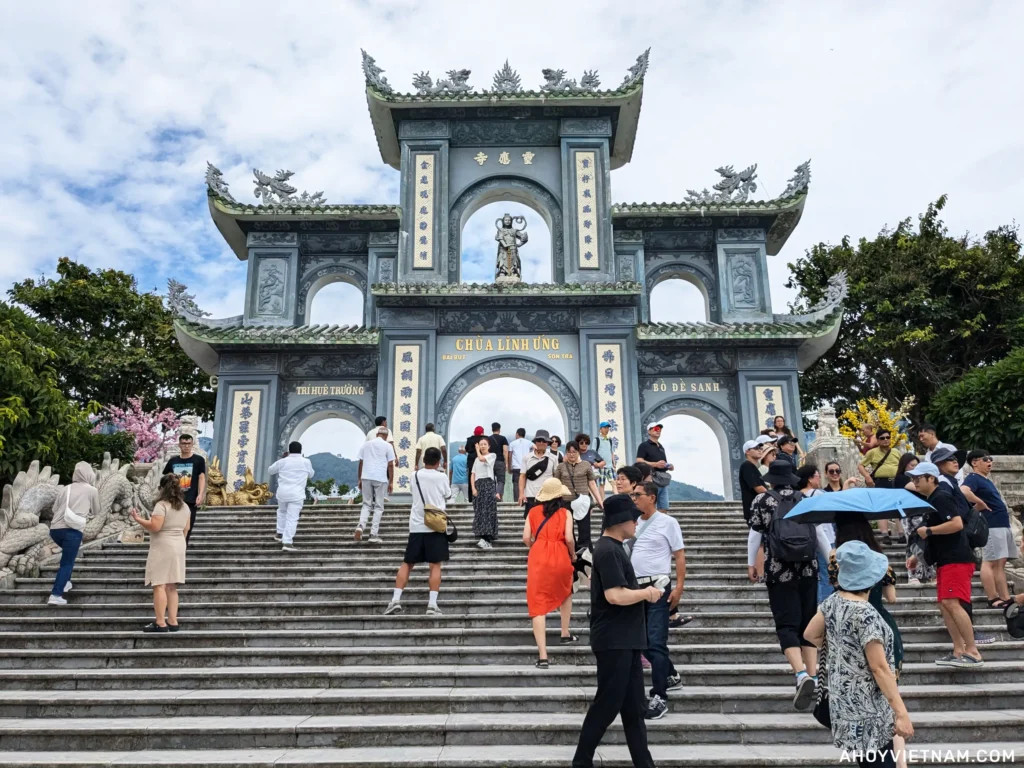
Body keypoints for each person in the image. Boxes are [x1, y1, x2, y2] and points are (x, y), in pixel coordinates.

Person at [804, 541, 914, 768]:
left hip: (846, 708)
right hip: (871, 712)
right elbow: (879, 668)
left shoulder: (833, 602)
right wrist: (901, 713)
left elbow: (810, 634)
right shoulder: (866, 615)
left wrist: (844, 650)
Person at [572, 494, 660, 768]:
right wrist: (647, 592)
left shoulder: (615, 548)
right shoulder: (609, 550)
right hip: (615, 640)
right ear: (620, 520)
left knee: (634, 709)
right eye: (633, 517)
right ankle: (581, 761)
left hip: (627, 639)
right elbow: (614, 596)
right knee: (608, 703)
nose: (637, 521)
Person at [746, 459, 832, 710]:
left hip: (778, 569)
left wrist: (752, 564)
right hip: (807, 569)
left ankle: (800, 674)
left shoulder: (763, 501)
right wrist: (831, 562)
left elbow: (755, 535)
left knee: (786, 623)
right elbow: (818, 535)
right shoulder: (805, 500)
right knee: (808, 622)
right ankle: (813, 675)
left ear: (771, 479)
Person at [905, 462, 983, 668]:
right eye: (913, 479)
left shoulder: (941, 496)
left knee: (951, 603)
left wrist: (929, 531)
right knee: (945, 604)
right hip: (947, 560)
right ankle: (959, 650)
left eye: (918, 479)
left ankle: (973, 651)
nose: (915, 483)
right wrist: (917, 555)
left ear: (931, 478)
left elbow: (956, 524)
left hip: (956, 559)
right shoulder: (933, 500)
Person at [630, 480, 686, 720]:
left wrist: (680, 587)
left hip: (659, 587)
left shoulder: (668, 523)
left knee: (655, 642)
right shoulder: (631, 524)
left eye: (638, 495)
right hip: (634, 590)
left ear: (651, 497)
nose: (634, 499)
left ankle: (659, 696)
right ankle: (671, 674)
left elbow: (679, 555)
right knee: (641, 642)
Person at [827, 516, 903, 676]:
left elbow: (836, 587)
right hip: (879, 620)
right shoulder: (880, 560)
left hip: (846, 623)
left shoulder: (836, 557)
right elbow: (891, 597)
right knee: (886, 674)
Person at [384, 447, 451, 617]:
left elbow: (414, 492)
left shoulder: (415, 476)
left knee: (407, 563)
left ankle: (395, 600)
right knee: (435, 565)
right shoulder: (442, 477)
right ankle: (432, 604)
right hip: (435, 526)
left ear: (423, 460)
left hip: (416, 526)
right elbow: (448, 495)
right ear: (438, 462)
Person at [523, 477, 578, 667]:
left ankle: (543, 656)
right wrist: (572, 555)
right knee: (566, 590)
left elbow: (525, 537)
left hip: (538, 555)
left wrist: (536, 545)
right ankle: (564, 632)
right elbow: (570, 539)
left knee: (537, 603)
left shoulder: (532, 511)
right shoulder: (566, 513)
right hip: (560, 554)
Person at [130, 474, 190, 632]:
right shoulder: (185, 506)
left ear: (162, 489)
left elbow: (155, 526)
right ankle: (173, 620)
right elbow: (186, 529)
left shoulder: (162, 505)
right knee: (172, 586)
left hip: (163, 545)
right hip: (179, 545)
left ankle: (160, 622)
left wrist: (138, 519)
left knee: (159, 584)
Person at [962, 450, 1018, 609]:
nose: (989, 462)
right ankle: (992, 597)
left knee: (1000, 562)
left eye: (991, 459)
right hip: (992, 524)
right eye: (985, 459)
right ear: (974, 462)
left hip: (1001, 524)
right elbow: (964, 490)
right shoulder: (973, 478)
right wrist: (979, 503)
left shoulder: (985, 479)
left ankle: (1005, 597)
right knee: (990, 562)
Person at [47, 461, 100, 605]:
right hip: (73, 531)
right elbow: (96, 511)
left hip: (55, 530)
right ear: (89, 474)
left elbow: (54, 510)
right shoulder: (92, 490)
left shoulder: (66, 488)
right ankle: (56, 594)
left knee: (68, 556)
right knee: (67, 563)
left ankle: (66, 582)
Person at [554, 440, 604, 552]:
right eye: (569, 452)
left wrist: (600, 501)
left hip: (582, 502)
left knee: (584, 530)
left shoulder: (586, 465)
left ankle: (585, 553)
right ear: (566, 453)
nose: (572, 454)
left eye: (574, 451)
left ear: (578, 452)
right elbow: (556, 483)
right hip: (565, 502)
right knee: (568, 530)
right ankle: (572, 553)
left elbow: (592, 483)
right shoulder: (561, 467)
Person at [894, 454, 934, 587]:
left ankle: (929, 573)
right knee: (912, 543)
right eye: (912, 465)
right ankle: (913, 574)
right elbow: (915, 488)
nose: (915, 468)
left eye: (917, 465)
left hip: (923, 513)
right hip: (909, 514)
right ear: (904, 466)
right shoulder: (901, 478)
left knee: (926, 543)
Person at [797, 464, 834, 605]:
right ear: (810, 479)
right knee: (827, 574)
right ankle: (824, 604)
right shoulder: (818, 494)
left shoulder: (798, 495)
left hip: (808, 540)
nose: (819, 479)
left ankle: (816, 604)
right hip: (825, 537)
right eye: (817, 475)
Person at [267, 441, 315, 552]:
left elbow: (270, 470)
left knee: (282, 512)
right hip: (296, 494)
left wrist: (282, 459)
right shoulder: (306, 462)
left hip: (282, 493)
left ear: (289, 450)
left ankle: (280, 533)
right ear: (301, 450)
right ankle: (287, 542)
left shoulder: (282, 462)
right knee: (292, 518)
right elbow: (311, 474)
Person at [858, 429, 902, 543]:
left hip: (896, 481)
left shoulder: (896, 452)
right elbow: (861, 465)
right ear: (877, 440)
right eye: (882, 438)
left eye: (887, 437)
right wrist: (867, 477)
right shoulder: (872, 452)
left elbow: (902, 466)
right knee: (883, 507)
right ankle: (885, 534)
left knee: (899, 507)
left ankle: (902, 533)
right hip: (881, 481)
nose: (885, 440)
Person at [162, 434, 206, 545]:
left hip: (191, 499)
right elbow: (166, 479)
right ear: (179, 445)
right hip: (174, 499)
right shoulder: (173, 461)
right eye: (183, 443)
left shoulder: (199, 460)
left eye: (188, 443)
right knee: (173, 525)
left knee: (188, 526)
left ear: (192, 444)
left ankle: (182, 548)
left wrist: (200, 494)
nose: (186, 446)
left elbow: (201, 477)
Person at [355, 426, 395, 544]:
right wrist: (391, 481)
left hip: (366, 476)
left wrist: (359, 479)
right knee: (378, 506)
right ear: (386, 436)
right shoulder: (388, 446)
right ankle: (373, 534)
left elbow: (361, 462)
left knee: (366, 504)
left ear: (377, 434)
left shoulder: (366, 444)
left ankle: (361, 526)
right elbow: (391, 465)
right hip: (380, 478)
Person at [739, 439, 768, 580]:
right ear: (747, 451)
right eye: (756, 448)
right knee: (760, 542)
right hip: (754, 510)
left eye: (760, 447)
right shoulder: (747, 466)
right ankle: (761, 574)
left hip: (758, 510)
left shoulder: (753, 467)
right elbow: (758, 488)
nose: (759, 449)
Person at [635, 422, 674, 513]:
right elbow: (639, 460)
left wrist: (668, 466)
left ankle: (661, 526)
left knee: (663, 507)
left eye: (659, 429)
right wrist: (655, 464)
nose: (658, 431)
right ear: (649, 431)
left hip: (662, 479)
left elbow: (662, 462)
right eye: (655, 429)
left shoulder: (661, 447)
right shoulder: (644, 445)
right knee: (650, 505)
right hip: (651, 478)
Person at [471, 435, 499, 549]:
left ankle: (487, 538)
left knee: (488, 510)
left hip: (488, 485)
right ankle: (483, 537)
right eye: (481, 444)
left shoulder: (492, 455)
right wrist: (473, 488)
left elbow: (482, 459)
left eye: (484, 444)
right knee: (479, 511)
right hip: (478, 485)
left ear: (489, 446)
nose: (482, 446)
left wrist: (477, 449)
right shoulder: (476, 459)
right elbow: (473, 474)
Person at [520, 430, 556, 512]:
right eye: (539, 440)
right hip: (531, 495)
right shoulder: (527, 458)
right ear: (535, 442)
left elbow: (556, 477)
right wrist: (521, 494)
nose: (541, 443)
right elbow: (522, 476)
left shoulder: (553, 458)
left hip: (548, 495)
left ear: (547, 443)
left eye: (544, 441)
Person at [576, 433, 607, 503]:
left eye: (586, 443)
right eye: (581, 443)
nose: (584, 444)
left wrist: (598, 465)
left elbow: (603, 462)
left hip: (592, 478)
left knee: (593, 499)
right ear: (577, 443)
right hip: (580, 480)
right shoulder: (575, 454)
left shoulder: (592, 452)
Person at [509, 427, 533, 504]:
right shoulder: (529, 443)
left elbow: (510, 455)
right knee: (525, 484)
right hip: (526, 466)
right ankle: (525, 499)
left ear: (517, 434)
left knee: (516, 484)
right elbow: (535, 448)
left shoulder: (512, 443)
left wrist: (509, 467)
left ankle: (516, 501)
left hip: (516, 467)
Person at [488, 422, 510, 501]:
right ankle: (498, 494)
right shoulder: (503, 438)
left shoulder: (488, 439)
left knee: (491, 480)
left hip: (490, 462)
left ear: (492, 429)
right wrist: (506, 463)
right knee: (501, 480)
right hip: (500, 461)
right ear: (499, 429)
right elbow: (505, 450)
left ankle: (493, 496)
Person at [594, 421, 618, 493]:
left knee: (614, 483)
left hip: (610, 466)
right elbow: (593, 453)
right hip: (602, 466)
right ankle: (602, 503)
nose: (606, 429)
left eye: (607, 428)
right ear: (600, 429)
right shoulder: (597, 440)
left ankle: (618, 500)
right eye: (604, 427)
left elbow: (611, 452)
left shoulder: (609, 440)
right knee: (602, 485)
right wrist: (596, 463)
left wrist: (614, 463)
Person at [464, 426, 487, 502]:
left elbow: (466, 449)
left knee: (471, 479)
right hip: (481, 460)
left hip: (471, 461)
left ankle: (471, 498)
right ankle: (482, 498)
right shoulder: (484, 439)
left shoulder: (470, 439)